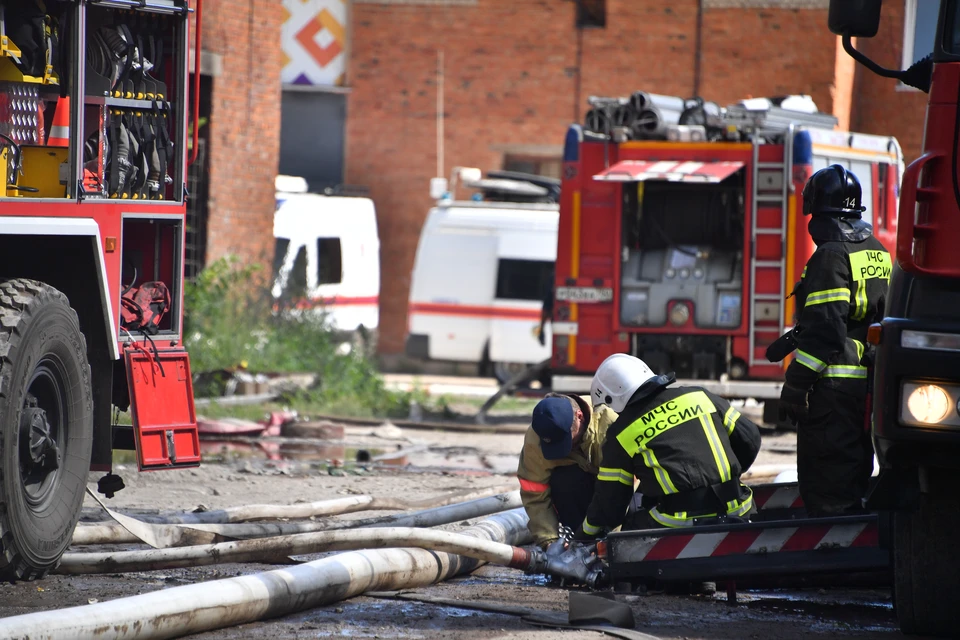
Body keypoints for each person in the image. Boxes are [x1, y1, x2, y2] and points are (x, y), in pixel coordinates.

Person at [772, 164, 891, 517]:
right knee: (853, 467)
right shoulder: (876, 250)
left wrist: (795, 386)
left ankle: (831, 551)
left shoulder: (830, 255)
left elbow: (826, 332)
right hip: (864, 383)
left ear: (819, 211)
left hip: (832, 390)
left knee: (827, 482)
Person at [573, 353, 761, 538]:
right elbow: (750, 439)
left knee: (630, 530)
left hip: (677, 523)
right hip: (739, 508)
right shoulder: (700, 396)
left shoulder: (621, 434)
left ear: (610, 399)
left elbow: (610, 505)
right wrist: (727, 476)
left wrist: (584, 535)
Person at [517, 391, 618, 549]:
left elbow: (628, 487)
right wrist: (549, 542)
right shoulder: (536, 437)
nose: (565, 448)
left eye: (566, 439)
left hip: (617, 494)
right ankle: (582, 543)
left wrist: (616, 541)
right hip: (579, 495)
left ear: (580, 416)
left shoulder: (609, 423)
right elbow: (534, 494)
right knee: (563, 480)